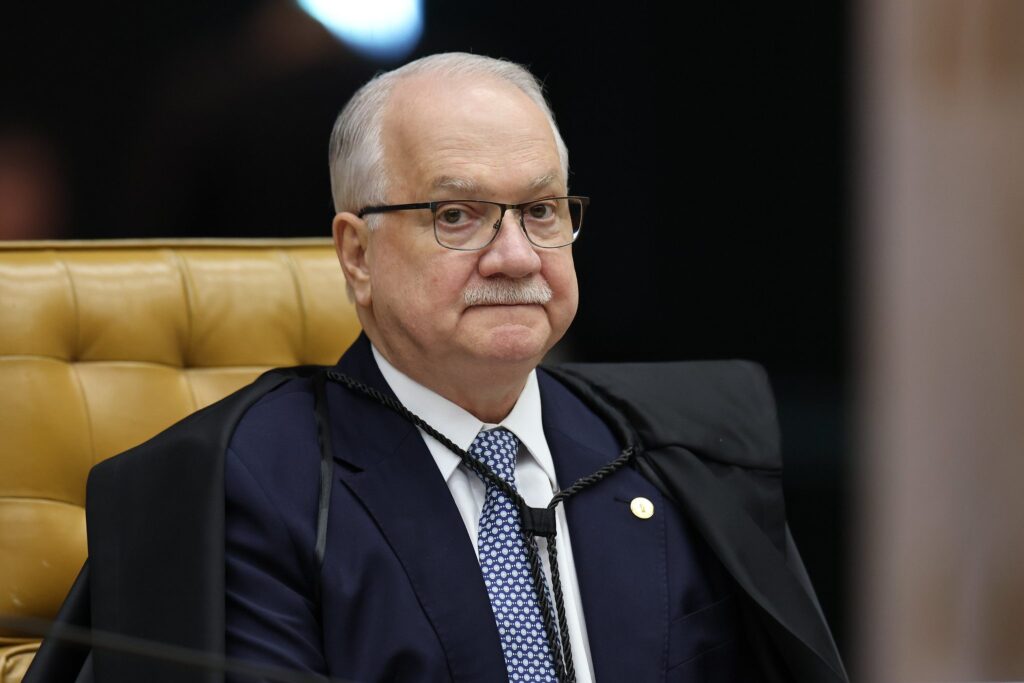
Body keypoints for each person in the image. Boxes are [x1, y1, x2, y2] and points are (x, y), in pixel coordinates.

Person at [26, 53, 847, 683]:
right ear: (357, 254)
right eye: (458, 215)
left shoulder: (675, 457)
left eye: (541, 210)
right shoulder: (248, 487)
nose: (516, 256)